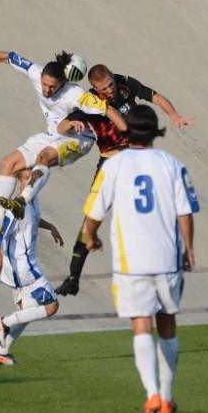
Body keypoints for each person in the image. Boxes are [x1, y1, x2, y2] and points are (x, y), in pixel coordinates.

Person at [82, 104, 198, 413]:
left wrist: (90, 237)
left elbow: (94, 212)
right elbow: (185, 212)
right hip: (167, 258)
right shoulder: (172, 163)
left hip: (130, 262)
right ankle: (167, 395)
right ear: (155, 130)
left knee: (141, 324)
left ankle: (152, 396)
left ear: (128, 130)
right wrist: (189, 249)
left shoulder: (115, 165)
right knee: (168, 323)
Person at [0, 44, 126, 238]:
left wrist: (127, 134)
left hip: (78, 139)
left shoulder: (76, 95)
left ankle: (21, 201)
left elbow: (109, 110)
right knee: (8, 163)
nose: (46, 90)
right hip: (52, 135)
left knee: (43, 156)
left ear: (63, 83)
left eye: (52, 86)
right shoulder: (36, 72)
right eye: (44, 84)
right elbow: (8, 57)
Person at [54, 64, 195, 297]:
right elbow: (61, 125)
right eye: (104, 89)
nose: (110, 91)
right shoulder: (88, 101)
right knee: (90, 221)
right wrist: (71, 125)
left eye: (111, 84)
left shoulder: (125, 83)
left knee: (146, 213)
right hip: (108, 163)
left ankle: (162, 267)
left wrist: (174, 115)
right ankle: (73, 278)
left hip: (134, 158)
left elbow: (154, 96)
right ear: (95, 89)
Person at [0, 168, 64, 365]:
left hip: (25, 268)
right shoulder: (14, 209)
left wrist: (51, 227)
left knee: (28, 312)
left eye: (34, 179)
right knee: (51, 306)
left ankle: (1, 353)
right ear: (19, 183)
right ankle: (3, 322)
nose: (32, 183)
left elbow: (34, 220)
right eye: (27, 179)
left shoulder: (32, 200)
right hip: (24, 270)